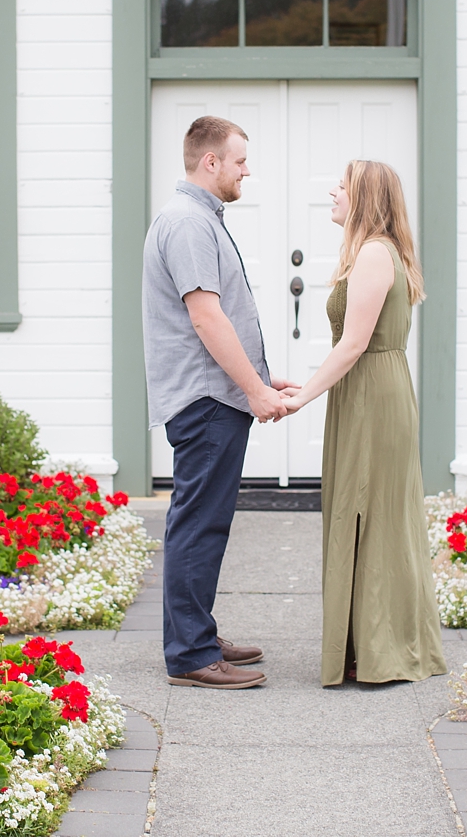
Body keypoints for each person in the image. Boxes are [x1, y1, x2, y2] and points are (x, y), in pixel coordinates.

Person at [142, 115, 299, 689]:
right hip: (207, 400)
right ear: (210, 162)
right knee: (199, 524)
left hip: (216, 395)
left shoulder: (197, 218)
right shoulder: (187, 223)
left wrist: (262, 376)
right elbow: (206, 316)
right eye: (239, 161)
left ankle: (198, 632)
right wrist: (253, 391)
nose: (246, 170)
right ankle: (190, 654)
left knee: (206, 521)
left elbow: (219, 314)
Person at [280, 160, 448, 686]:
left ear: (365, 198)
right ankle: (369, 646)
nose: (332, 190)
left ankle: (384, 650)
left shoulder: (375, 253)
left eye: (342, 185)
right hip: (366, 391)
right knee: (365, 510)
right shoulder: (371, 252)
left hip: (374, 394)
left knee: (373, 514)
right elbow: (351, 345)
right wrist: (304, 385)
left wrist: (303, 396)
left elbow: (354, 345)